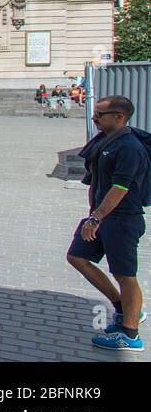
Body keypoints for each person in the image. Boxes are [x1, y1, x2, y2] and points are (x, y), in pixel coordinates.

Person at [67, 94, 150, 351]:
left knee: (125, 276)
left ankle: (130, 334)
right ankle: (123, 308)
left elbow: (120, 187)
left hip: (121, 219)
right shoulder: (106, 140)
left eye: (100, 114)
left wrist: (95, 218)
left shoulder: (129, 147)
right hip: (101, 216)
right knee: (77, 257)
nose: (94, 117)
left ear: (119, 117)